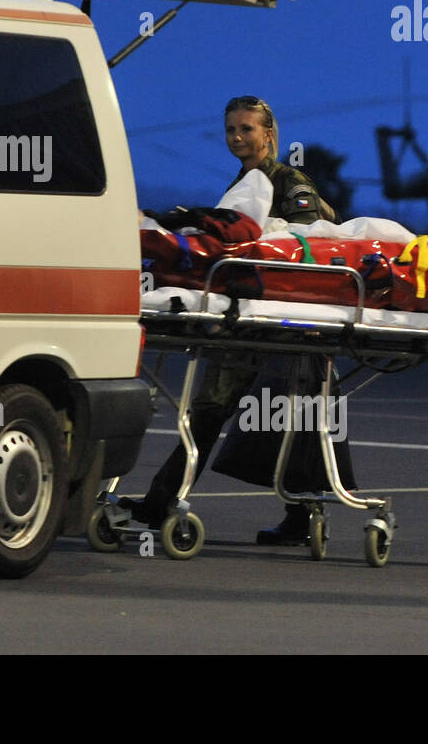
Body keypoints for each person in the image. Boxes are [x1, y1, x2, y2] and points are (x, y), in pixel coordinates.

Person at [126, 95, 354, 544]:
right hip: (250, 317)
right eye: (231, 130)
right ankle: (160, 501)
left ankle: (299, 517)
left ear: (269, 134)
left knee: (296, 415)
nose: (237, 137)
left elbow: (311, 241)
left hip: (289, 321)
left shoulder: (290, 182)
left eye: (246, 129)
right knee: (214, 409)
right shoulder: (245, 184)